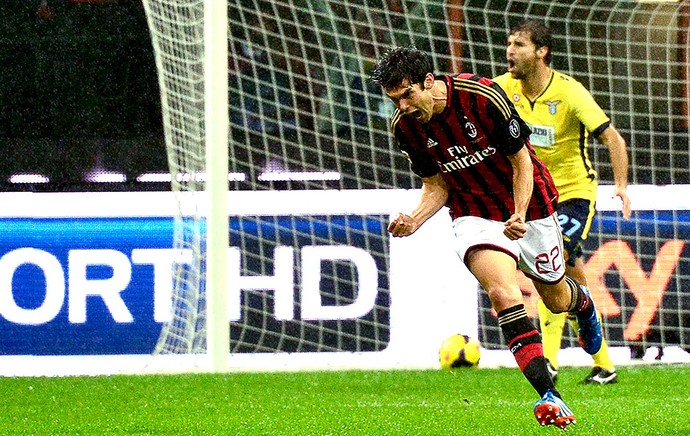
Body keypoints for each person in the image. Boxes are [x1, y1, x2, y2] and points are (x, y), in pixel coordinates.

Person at [371, 46, 605, 430]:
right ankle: (550, 396)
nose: (404, 106)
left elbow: (522, 162)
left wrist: (518, 211)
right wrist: (414, 220)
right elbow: (437, 186)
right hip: (473, 211)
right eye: (394, 99)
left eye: (408, 94)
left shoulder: (483, 97)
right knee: (502, 292)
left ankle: (582, 303)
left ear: (429, 82)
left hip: (528, 205)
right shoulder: (405, 128)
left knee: (556, 296)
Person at [494, 19, 632, 385]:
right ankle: (604, 365)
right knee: (570, 274)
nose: (510, 50)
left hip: (573, 193)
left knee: (552, 261)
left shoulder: (569, 92)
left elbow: (613, 139)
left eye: (519, 44)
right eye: (509, 43)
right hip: (533, 194)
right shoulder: (502, 90)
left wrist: (621, 186)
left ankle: (549, 361)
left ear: (542, 52)